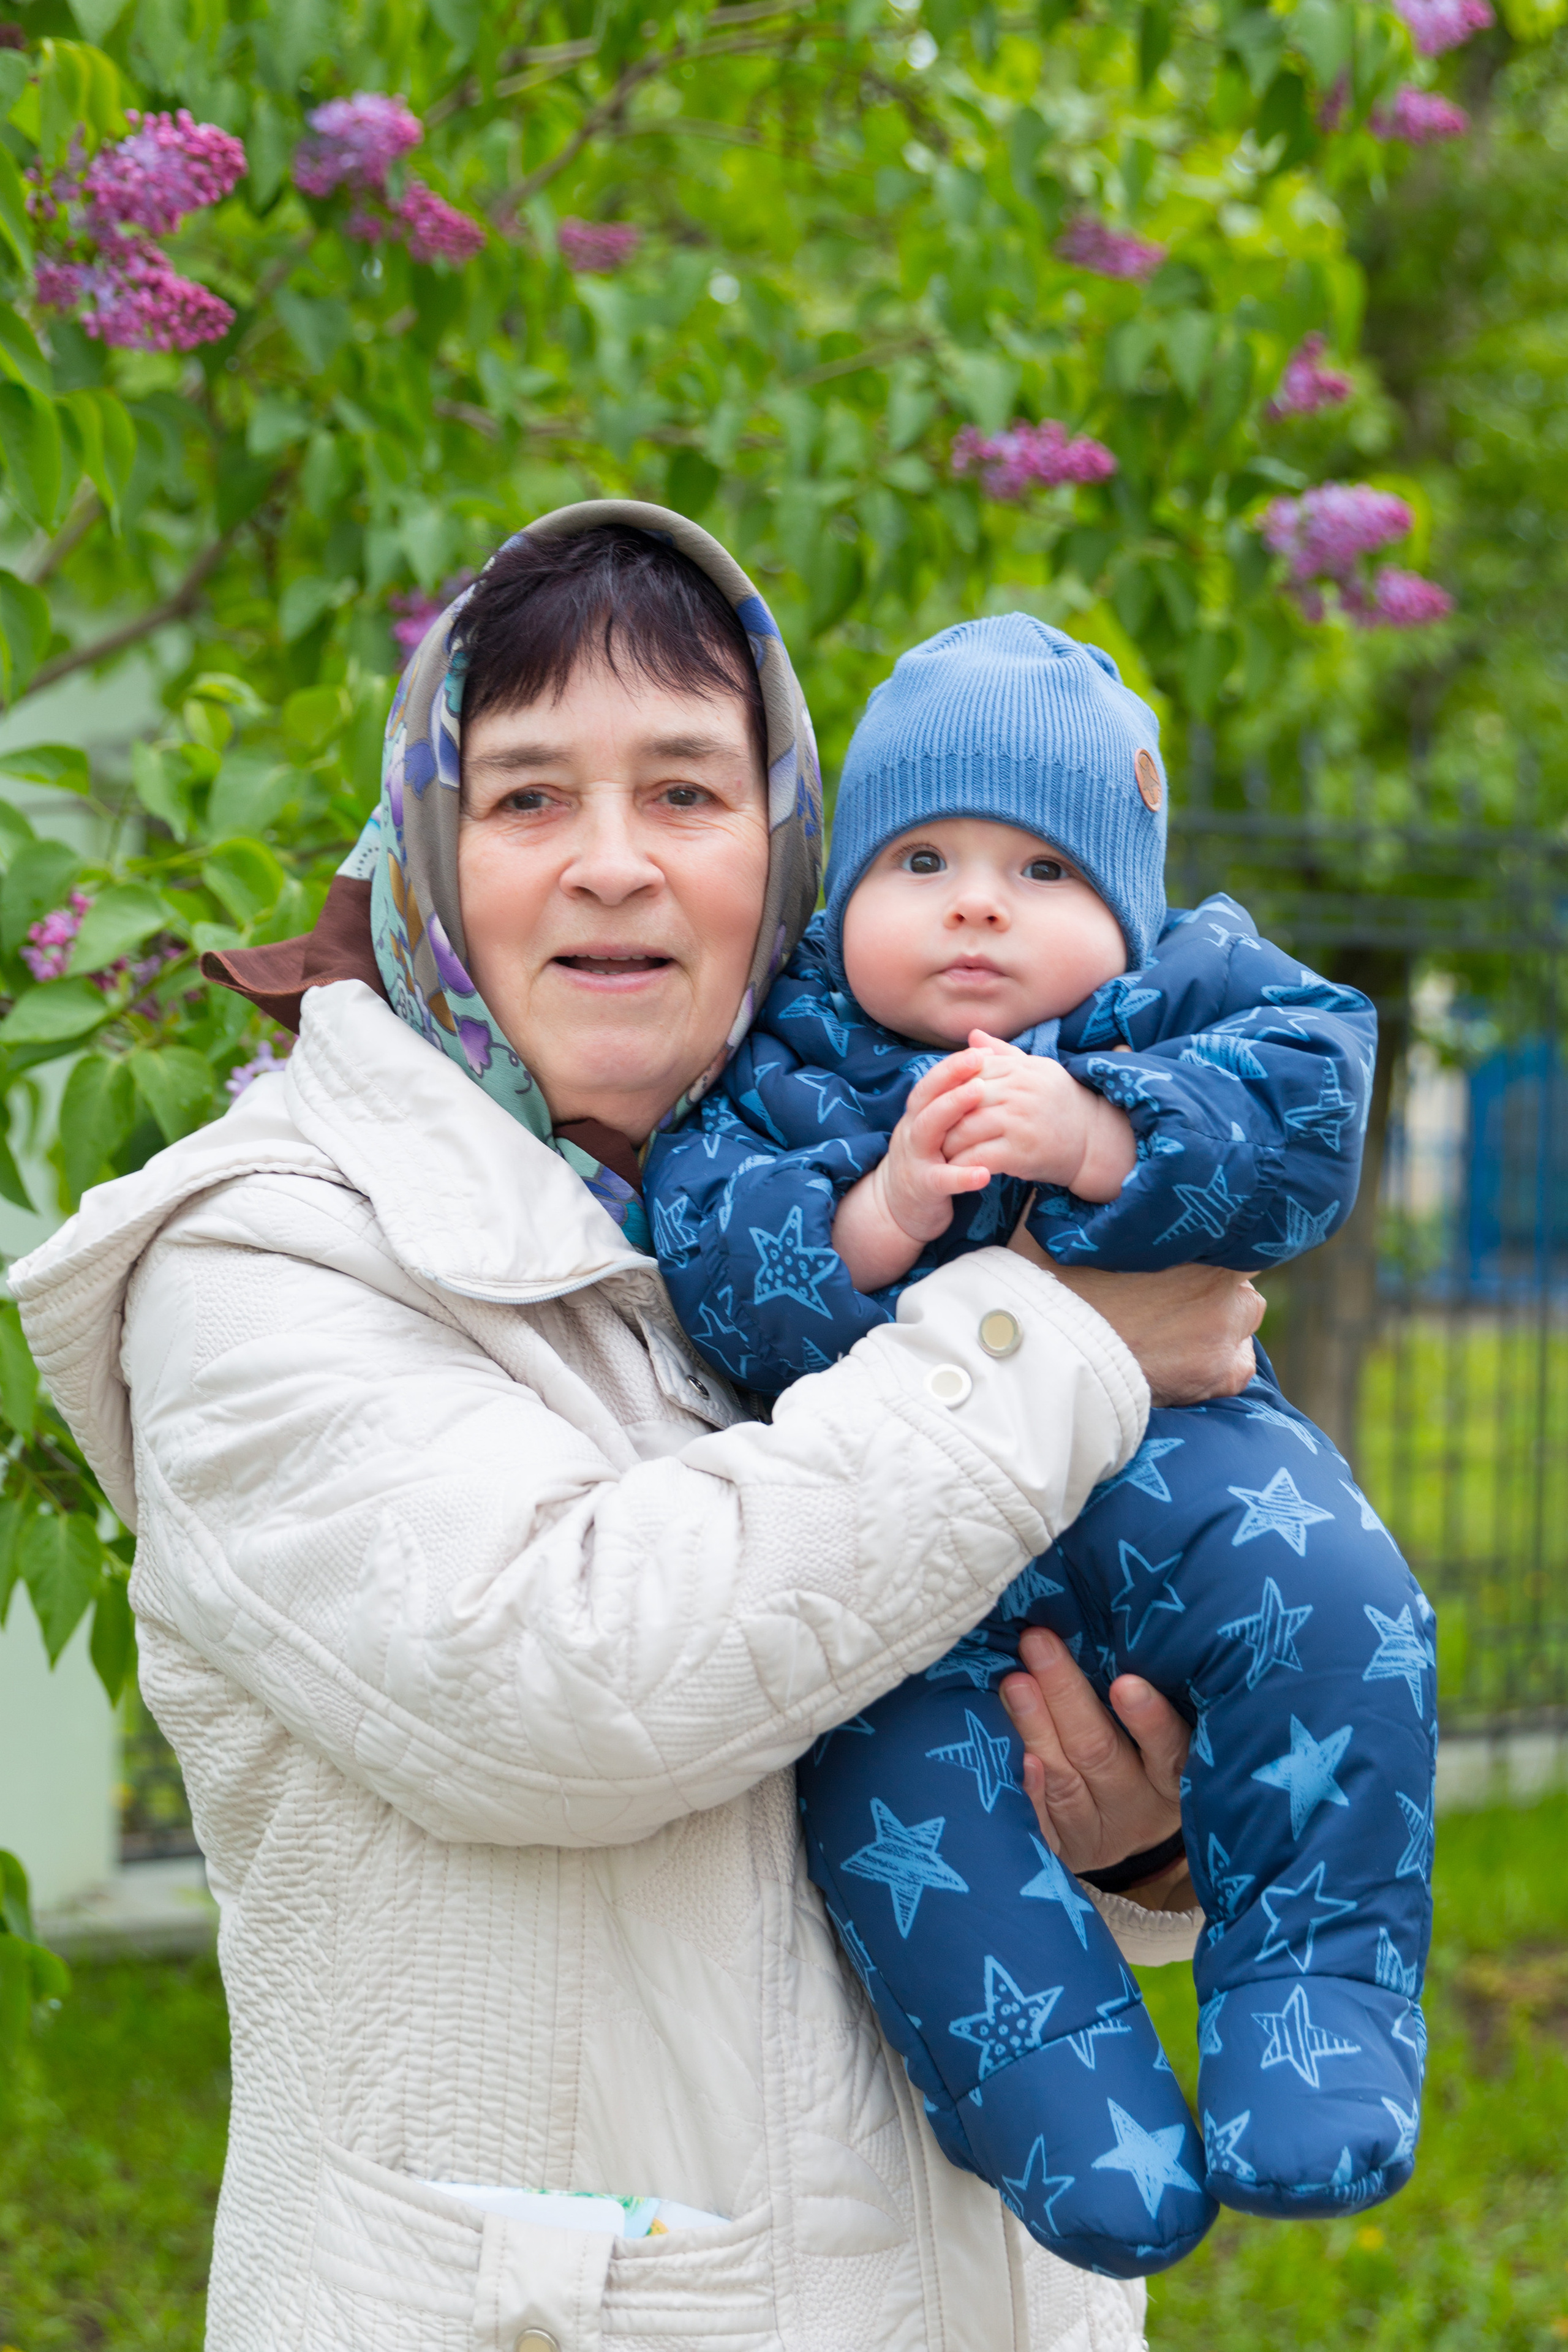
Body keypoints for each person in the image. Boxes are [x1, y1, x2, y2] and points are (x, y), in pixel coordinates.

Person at [13, 507, 1263, 2352]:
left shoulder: (872, 1205)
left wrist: (1138, 1830)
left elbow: (998, 1701)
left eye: (686, 793)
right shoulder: (268, 1255)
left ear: (786, 856)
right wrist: (1062, 1341)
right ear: (433, 847)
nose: (612, 866)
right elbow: (573, 1687)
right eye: (527, 800)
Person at [644, 617, 1435, 2276]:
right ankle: (1063, 2102)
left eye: (1042, 866)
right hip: (909, 1574)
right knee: (891, 1798)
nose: (979, 901)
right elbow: (713, 1260)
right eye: (920, 856)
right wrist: (876, 1213)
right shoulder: (783, 1059)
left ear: (1128, 905)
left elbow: (1309, 1111)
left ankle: (1316, 1996)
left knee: (1347, 1608)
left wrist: (1097, 1134)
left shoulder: (1187, 995)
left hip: (1192, 1478)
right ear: (842, 892)